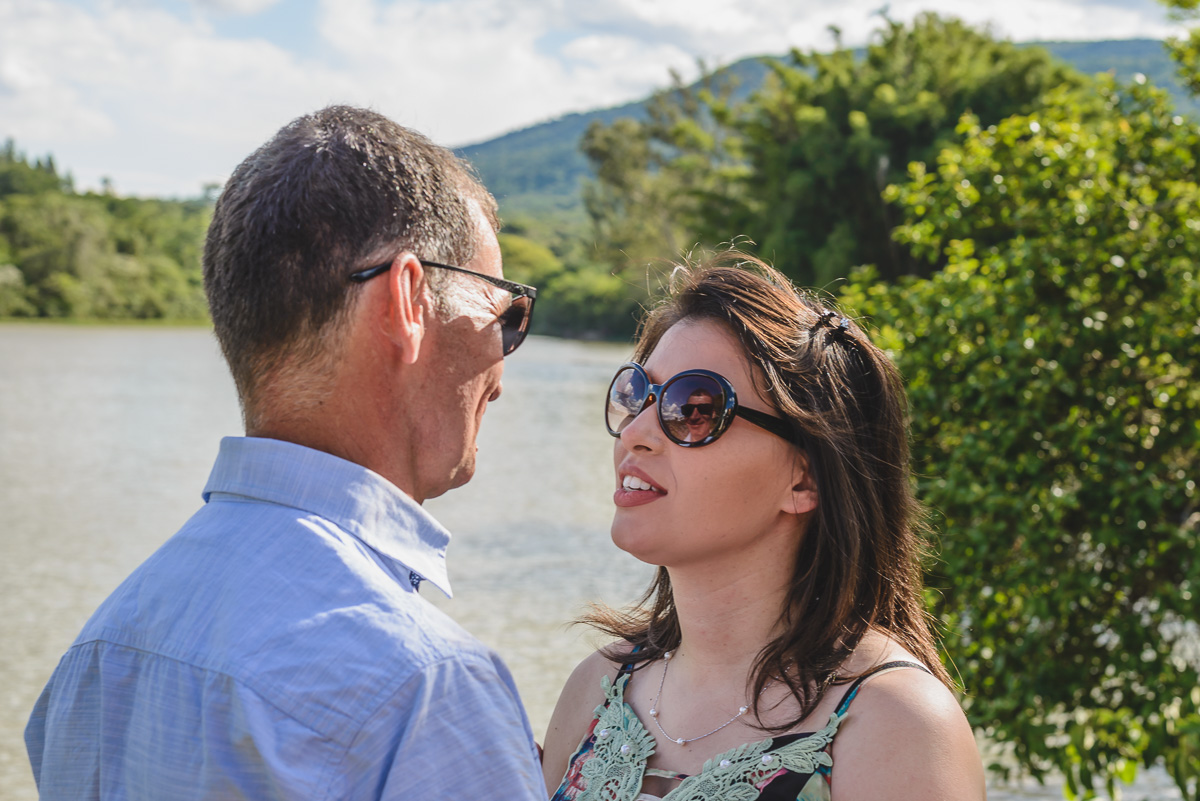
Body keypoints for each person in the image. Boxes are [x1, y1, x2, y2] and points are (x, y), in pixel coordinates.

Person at [25, 105, 546, 800]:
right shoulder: (425, 688)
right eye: (506, 313)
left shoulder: (99, 650)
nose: (502, 371)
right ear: (408, 300)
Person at [542, 254, 985, 801]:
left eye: (693, 409)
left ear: (804, 480)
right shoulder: (599, 687)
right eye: (638, 394)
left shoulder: (894, 722)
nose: (636, 431)